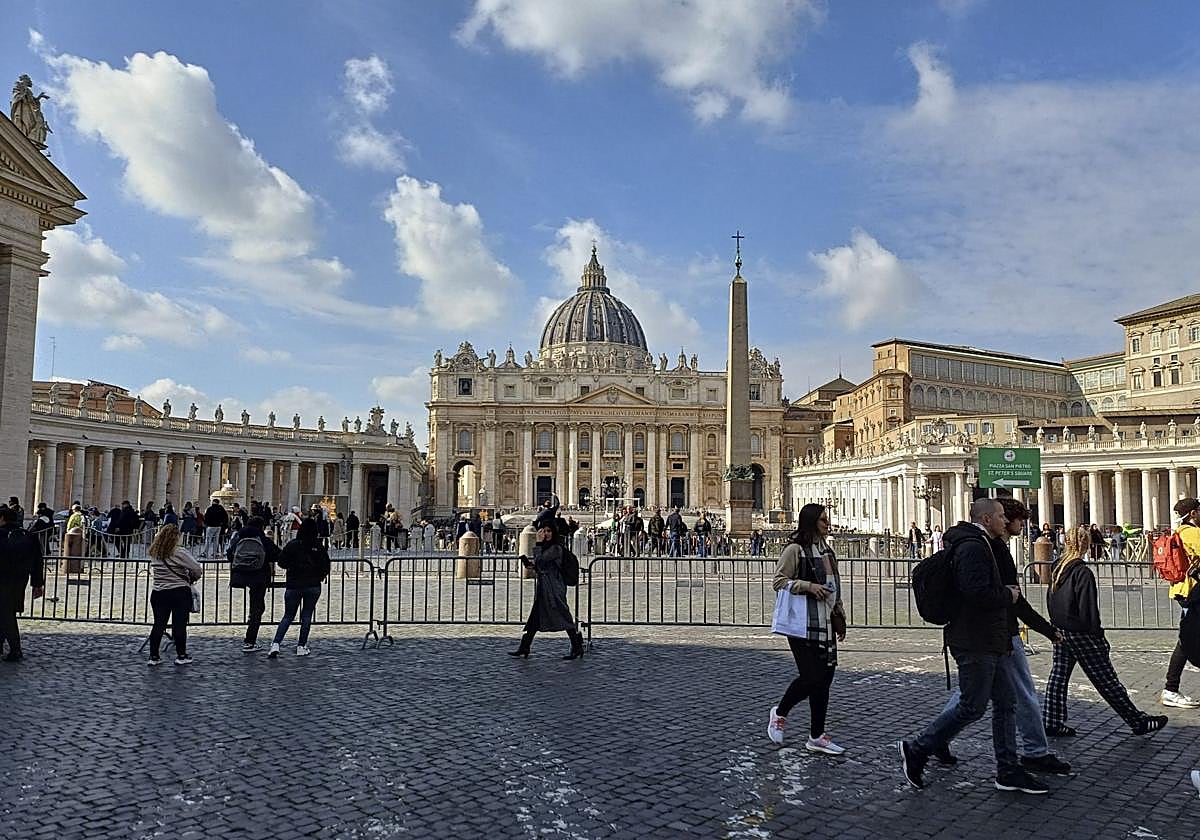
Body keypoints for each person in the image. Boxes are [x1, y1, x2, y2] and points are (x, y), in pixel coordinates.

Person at [899, 499, 1048, 795]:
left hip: (990, 639)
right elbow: (977, 593)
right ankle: (918, 748)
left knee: (1006, 703)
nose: (1005, 521)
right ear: (988, 518)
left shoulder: (980, 544)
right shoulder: (973, 548)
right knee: (972, 705)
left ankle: (1007, 770)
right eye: (1002, 516)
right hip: (974, 640)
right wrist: (1008, 595)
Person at [932, 499, 1072, 775]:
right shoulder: (991, 549)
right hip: (999, 634)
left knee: (973, 697)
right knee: (1019, 694)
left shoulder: (990, 546)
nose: (1022, 525)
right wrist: (1046, 629)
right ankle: (1035, 751)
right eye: (1018, 520)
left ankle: (936, 738)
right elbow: (1010, 600)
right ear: (1002, 520)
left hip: (993, 633)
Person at [1043, 524, 1168, 737]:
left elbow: (1050, 599)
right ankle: (1137, 721)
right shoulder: (1082, 572)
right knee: (1106, 679)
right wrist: (1098, 635)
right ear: (1086, 544)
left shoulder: (1058, 566)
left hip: (1061, 628)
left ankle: (1051, 720)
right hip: (1082, 632)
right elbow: (1089, 610)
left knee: (1059, 675)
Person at [766, 503, 847, 754]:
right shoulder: (794, 550)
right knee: (811, 676)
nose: (828, 523)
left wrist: (839, 613)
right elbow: (778, 581)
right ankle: (779, 713)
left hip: (824, 622)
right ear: (811, 522)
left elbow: (835, 585)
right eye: (823, 520)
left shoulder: (827, 550)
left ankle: (816, 736)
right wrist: (808, 586)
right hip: (801, 623)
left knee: (825, 680)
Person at [509, 506, 583, 659]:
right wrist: (530, 564)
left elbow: (542, 560)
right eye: (544, 531)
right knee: (535, 619)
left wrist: (537, 543)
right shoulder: (548, 547)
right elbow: (539, 564)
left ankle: (577, 646)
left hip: (554, 586)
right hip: (544, 586)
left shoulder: (556, 548)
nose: (546, 534)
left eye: (549, 531)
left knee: (563, 616)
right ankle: (525, 647)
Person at [269, 518, 331, 658]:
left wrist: (293, 566)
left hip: (294, 584)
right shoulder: (318, 546)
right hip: (313, 585)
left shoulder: (293, 545)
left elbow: (281, 562)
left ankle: (276, 644)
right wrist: (319, 576)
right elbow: (326, 566)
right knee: (307, 615)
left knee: (288, 616)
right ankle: (301, 646)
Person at [1160, 498, 1200, 708]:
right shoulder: (1193, 533)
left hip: (1183, 590)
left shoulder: (1179, 533)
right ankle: (1170, 688)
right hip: (1194, 592)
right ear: (1193, 513)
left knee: (1188, 638)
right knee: (1186, 641)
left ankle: (1171, 688)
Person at [146, 523, 202, 666]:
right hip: (178, 592)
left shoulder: (154, 552)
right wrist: (191, 577)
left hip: (158, 592)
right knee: (179, 624)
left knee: (158, 624)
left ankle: (153, 656)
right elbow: (196, 568)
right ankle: (181, 655)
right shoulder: (178, 552)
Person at [227, 515, 282, 652]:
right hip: (259, 577)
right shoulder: (262, 539)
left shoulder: (239, 537)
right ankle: (250, 640)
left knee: (255, 607)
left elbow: (229, 554)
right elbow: (277, 555)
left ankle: (251, 627)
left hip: (241, 575)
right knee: (257, 608)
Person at [0, 506, 46, 662]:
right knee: (7, 612)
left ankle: (15, 649)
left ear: (2, 519)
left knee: (6, 615)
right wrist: (37, 584)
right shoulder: (29, 536)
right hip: (20, 580)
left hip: (3, 579)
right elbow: (38, 561)